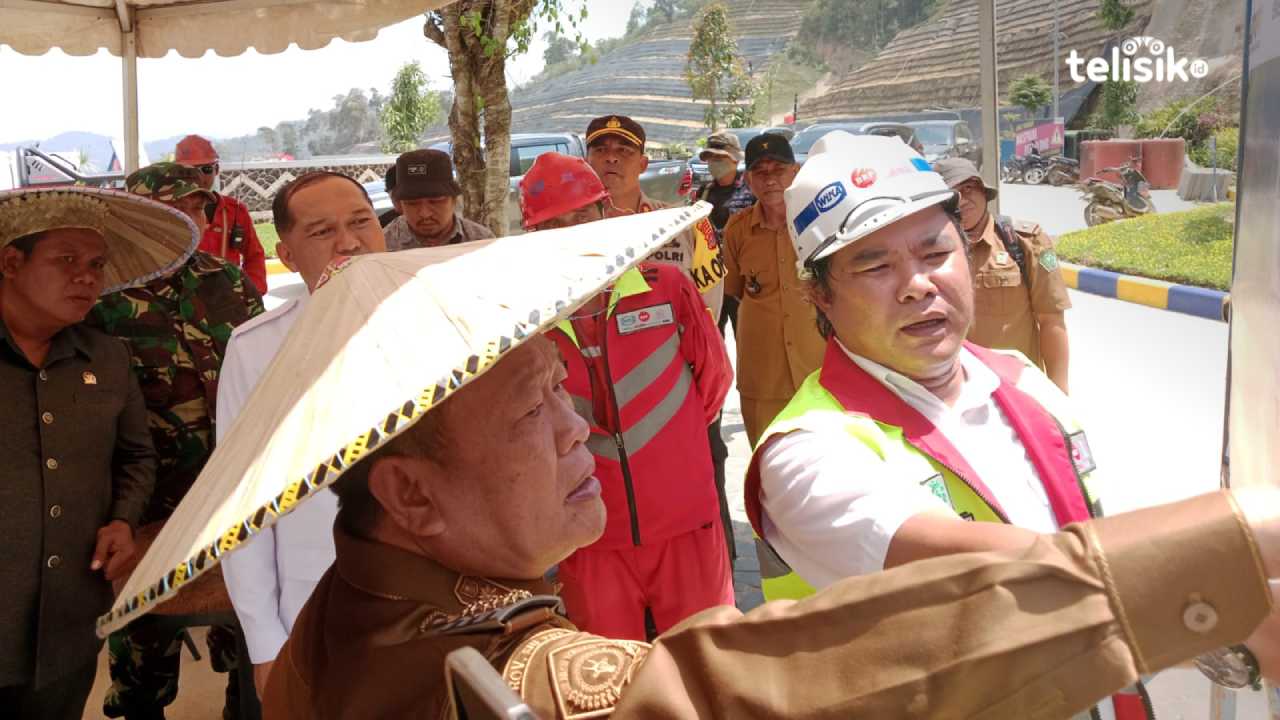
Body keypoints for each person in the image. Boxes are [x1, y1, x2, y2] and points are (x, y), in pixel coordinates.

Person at [259, 327, 1280, 718]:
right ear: (410, 494)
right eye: (536, 412)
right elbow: (743, 688)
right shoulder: (484, 671)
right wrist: (1225, 541)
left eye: (565, 395)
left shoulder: (350, 595)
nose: (583, 431)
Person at [742, 132, 1130, 717]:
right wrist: (1220, 554)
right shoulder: (806, 453)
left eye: (934, 254)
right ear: (818, 295)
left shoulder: (1022, 379)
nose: (917, 285)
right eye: (874, 265)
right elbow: (1001, 574)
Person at [517, 152, 734, 641]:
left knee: (710, 661)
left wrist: (671, 456)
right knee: (606, 681)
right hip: (588, 536)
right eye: (556, 224)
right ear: (535, 238)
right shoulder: (529, 325)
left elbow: (714, 382)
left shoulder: (668, 289)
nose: (574, 232)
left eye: (582, 216)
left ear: (605, 215)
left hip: (686, 523)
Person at [84, 163, 264, 720]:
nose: (190, 217)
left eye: (197, 206)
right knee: (145, 637)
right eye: (173, 207)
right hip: (146, 499)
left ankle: (244, 702)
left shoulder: (227, 281)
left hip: (231, 490)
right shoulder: (101, 296)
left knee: (249, 632)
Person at [220, 171, 388, 700]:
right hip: (317, 610)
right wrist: (266, 643)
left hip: (448, 608)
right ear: (286, 254)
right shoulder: (257, 351)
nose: (349, 242)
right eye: (322, 232)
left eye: (361, 222)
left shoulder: (449, 326)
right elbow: (240, 509)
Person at [0, 187, 164, 720]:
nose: (87, 276)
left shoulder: (106, 357)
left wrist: (123, 520)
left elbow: (136, 456)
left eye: (96, 264)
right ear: (10, 262)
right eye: (66, 260)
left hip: (68, 626)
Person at [587, 115, 735, 560]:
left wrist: (697, 400)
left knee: (702, 480)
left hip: (675, 393)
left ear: (644, 162)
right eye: (600, 149)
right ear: (587, 159)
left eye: (624, 150)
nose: (611, 157)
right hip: (597, 407)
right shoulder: (567, 233)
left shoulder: (684, 226)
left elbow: (710, 316)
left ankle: (718, 567)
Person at [721, 132, 826, 446]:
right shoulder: (737, 230)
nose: (770, 181)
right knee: (768, 471)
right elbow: (734, 290)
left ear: (795, 172)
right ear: (749, 180)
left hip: (820, 374)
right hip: (764, 378)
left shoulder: (819, 223)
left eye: (778, 170)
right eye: (761, 173)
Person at [935, 157, 1072, 392]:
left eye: (969, 188)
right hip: (954, 391)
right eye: (953, 193)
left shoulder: (1024, 241)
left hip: (1017, 387)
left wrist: (1059, 392)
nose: (963, 200)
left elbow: (1052, 321)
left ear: (983, 192)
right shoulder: (930, 252)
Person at [175, 135, 268, 295]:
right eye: (188, 171)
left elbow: (254, 256)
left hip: (230, 299)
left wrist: (252, 292)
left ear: (216, 170)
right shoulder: (169, 212)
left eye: (206, 169)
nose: (198, 177)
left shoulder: (236, 211)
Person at [382, 149, 494, 251]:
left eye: (435, 201)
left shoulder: (481, 242)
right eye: (412, 204)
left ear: (454, 200)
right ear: (400, 205)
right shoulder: (382, 245)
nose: (425, 214)